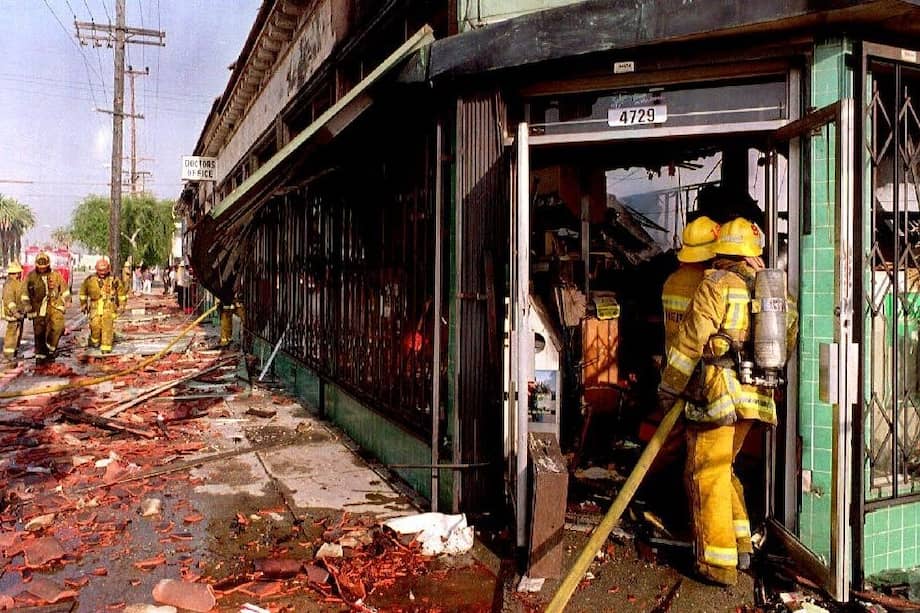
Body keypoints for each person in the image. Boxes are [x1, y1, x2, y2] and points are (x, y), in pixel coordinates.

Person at [657, 217, 796, 586]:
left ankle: (717, 564)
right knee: (723, 468)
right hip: (755, 396)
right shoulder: (768, 286)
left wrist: (670, 385)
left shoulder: (715, 284)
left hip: (719, 395)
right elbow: (790, 329)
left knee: (705, 473)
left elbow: (690, 341)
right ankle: (741, 544)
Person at [651, 215, 721, 467]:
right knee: (700, 457)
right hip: (701, 379)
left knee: (676, 446)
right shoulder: (710, 285)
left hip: (673, 372)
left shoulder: (672, 281)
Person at [21, 251, 71, 362]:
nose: (42, 269)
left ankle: (50, 347)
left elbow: (64, 289)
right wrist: (27, 306)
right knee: (39, 332)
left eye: (45, 267)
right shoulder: (31, 277)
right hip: (37, 308)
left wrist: (67, 300)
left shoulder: (55, 275)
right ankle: (40, 357)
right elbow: (24, 293)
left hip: (54, 306)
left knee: (58, 327)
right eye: (40, 267)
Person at [79, 257, 127, 354]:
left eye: (104, 270)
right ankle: (94, 341)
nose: (102, 273)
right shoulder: (90, 280)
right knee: (95, 325)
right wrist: (83, 304)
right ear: (96, 269)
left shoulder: (114, 279)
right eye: (100, 270)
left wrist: (122, 305)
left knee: (107, 326)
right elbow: (83, 292)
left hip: (108, 306)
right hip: (95, 307)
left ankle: (106, 347)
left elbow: (121, 293)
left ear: (108, 269)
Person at [2, 262, 25, 362]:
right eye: (18, 272)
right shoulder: (9, 285)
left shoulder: (18, 283)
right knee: (11, 335)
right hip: (13, 314)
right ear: (14, 273)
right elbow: (9, 301)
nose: (19, 274)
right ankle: (8, 356)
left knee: (18, 334)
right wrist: (15, 312)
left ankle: (14, 353)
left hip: (20, 314)